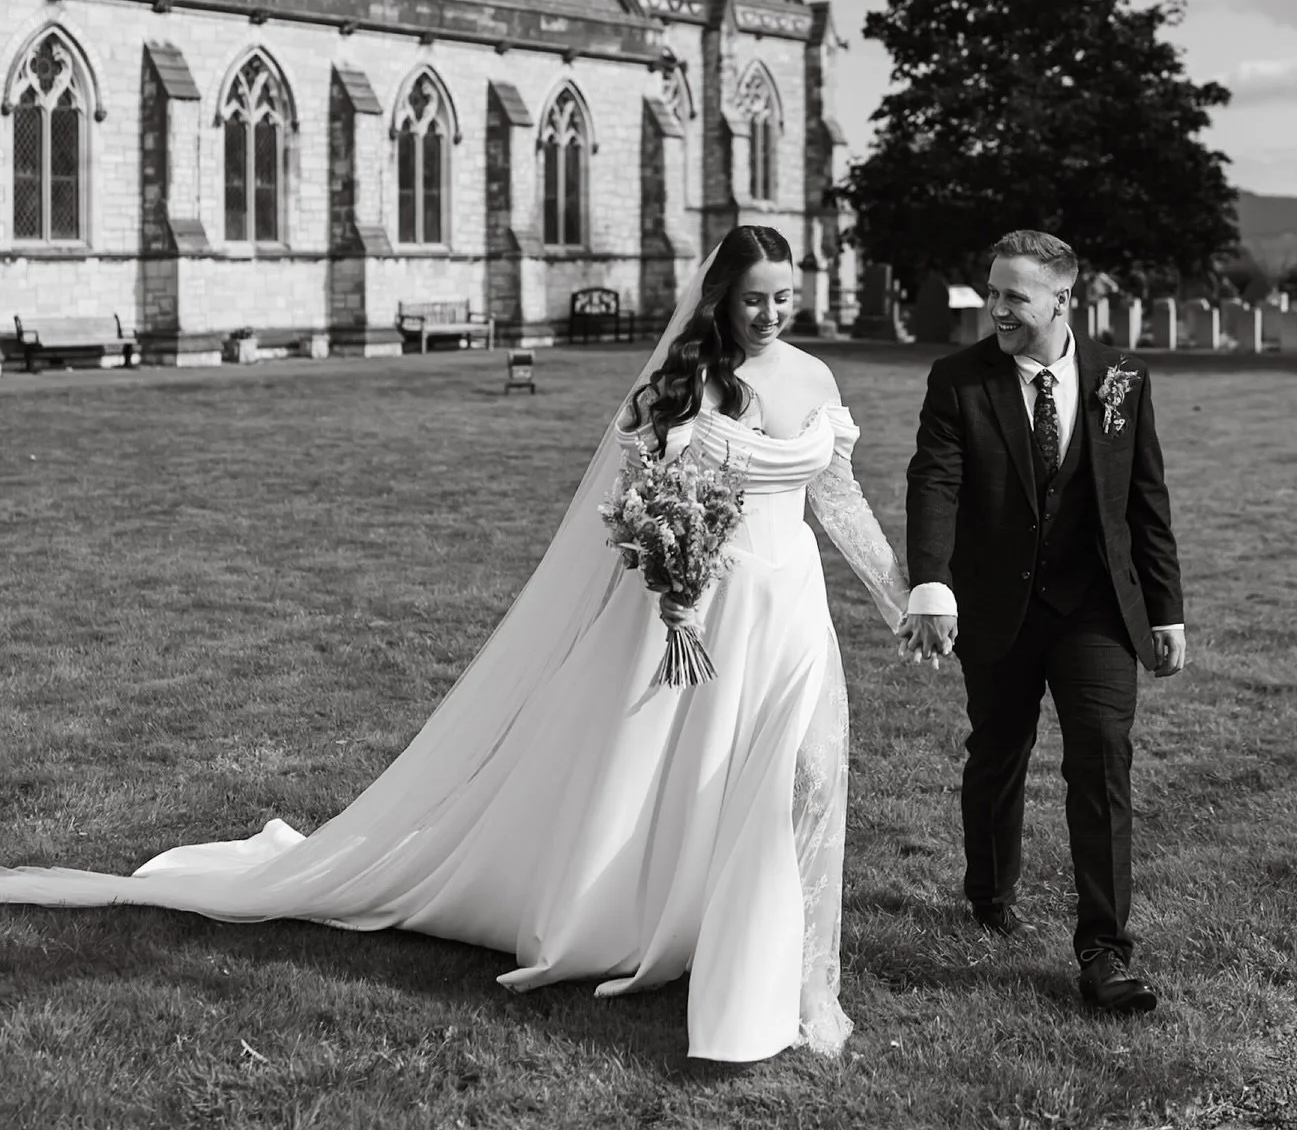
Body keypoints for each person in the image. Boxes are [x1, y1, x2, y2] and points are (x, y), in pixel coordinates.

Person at [0, 225, 909, 1063]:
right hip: (695, 617)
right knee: (686, 776)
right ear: (719, 297)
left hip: (789, 613)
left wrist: (901, 597)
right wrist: (674, 590)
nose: (772, 312)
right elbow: (641, 504)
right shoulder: (685, 381)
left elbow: (839, 501)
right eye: (755, 297)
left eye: (783, 296)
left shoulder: (816, 379)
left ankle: (780, 967)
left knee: (805, 773)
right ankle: (670, 926)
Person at [899, 229, 1185, 1014]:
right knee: (997, 754)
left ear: (1064, 299)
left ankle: (1106, 951)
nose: (996, 308)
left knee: (1101, 763)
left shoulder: (1122, 377)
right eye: (993, 292)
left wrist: (1166, 609)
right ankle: (990, 892)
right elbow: (935, 483)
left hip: (1094, 608)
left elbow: (1144, 501)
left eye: (1014, 297)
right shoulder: (958, 380)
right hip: (996, 604)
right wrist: (931, 583)